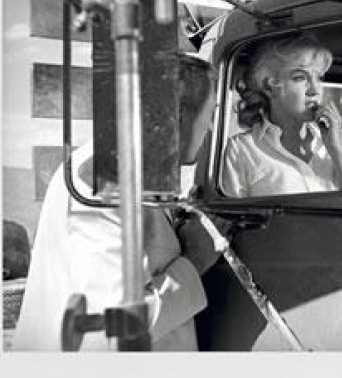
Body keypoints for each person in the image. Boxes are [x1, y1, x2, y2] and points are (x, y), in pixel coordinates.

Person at [12, 54, 220, 351]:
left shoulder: (130, 168)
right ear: (176, 115)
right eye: (210, 114)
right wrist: (196, 259)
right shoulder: (102, 180)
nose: (211, 128)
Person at [221, 33, 342, 198]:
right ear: (269, 87)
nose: (315, 90)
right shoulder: (241, 149)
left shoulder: (340, 142)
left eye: (319, 78)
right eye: (300, 77)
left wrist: (336, 149)